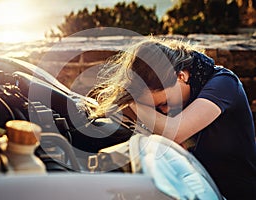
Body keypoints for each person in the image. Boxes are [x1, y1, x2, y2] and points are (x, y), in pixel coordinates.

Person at [86, 37, 256, 199]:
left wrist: (134, 103)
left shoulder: (224, 83)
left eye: (165, 102)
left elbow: (174, 133)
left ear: (181, 76)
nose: (165, 111)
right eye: (157, 107)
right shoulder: (180, 97)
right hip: (196, 189)